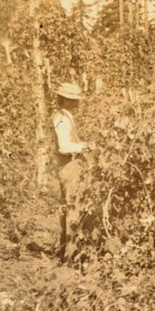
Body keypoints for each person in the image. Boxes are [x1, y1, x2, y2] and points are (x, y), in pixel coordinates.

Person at [51, 81, 86, 257]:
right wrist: (84, 147)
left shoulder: (66, 116)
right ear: (64, 101)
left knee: (70, 208)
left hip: (71, 166)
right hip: (68, 166)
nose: (77, 103)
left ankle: (65, 250)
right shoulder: (62, 119)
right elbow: (64, 146)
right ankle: (70, 254)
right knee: (73, 209)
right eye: (73, 100)